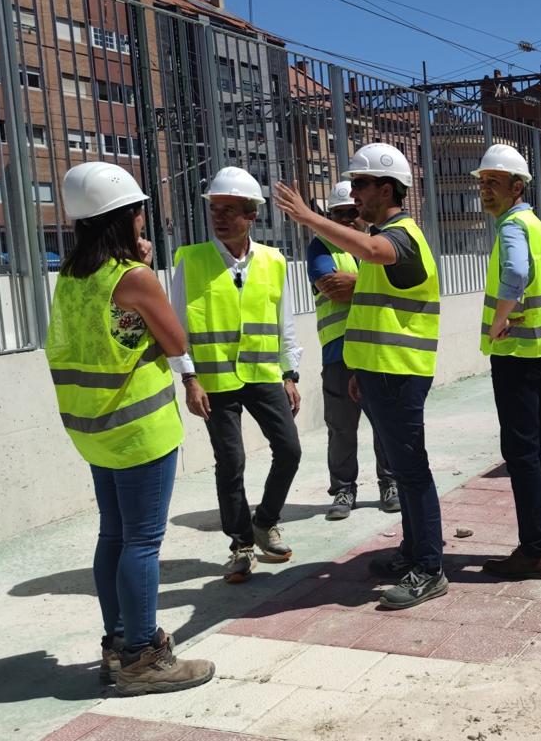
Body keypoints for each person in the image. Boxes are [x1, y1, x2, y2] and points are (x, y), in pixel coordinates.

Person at [46, 161, 214, 696]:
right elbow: (174, 339)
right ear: (127, 215)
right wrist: (143, 271)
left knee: (114, 535)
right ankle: (142, 657)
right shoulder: (133, 277)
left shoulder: (73, 276)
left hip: (92, 427)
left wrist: (134, 267)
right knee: (142, 542)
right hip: (139, 427)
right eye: (140, 210)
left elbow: (115, 329)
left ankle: (117, 643)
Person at [274, 142, 447, 610]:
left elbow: (371, 249)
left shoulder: (400, 236)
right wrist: (358, 370)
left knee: (412, 472)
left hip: (399, 374)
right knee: (407, 470)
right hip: (377, 373)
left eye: (362, 184)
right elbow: (372, 310)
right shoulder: (386, 237)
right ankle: (413, 552)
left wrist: (311, 218)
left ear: (386, 188)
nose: (355, 193)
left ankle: (429, 567)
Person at [171, 167, 302, 583]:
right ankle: (241, 544)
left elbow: (285, 322)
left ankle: (265, 520)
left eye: (230, 209)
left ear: (252, 216)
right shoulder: (190, 260)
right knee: (231, 462)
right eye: (215, 208)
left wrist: (290, 371)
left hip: (264, 373)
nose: (220, 216)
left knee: (290, 450)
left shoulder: (274, 261)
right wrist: (188, 378)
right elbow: (176, 327)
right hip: (214, 382)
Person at [473, 144, 541, 581]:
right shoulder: (537, 225)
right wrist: (537, 315)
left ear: (518, 186)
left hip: (517, 353)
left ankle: (533, 551)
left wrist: (502, 321)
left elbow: (515, 274)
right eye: (481, 183)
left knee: (522, 451)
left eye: (493, 183)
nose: (485, 191)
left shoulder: (513, 226)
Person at [307, 180, 398, 520]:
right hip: (339, 353)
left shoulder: (378, 246)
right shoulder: (319, 247)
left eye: (351, 212)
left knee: (383, 423)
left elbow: (396, 284)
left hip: (376, 349)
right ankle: (344, 490)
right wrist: (372, 285)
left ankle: (389, 484)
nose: (345, 220)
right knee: (341, 426)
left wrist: (358, 284)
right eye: (338, 214)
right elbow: (335, 291)